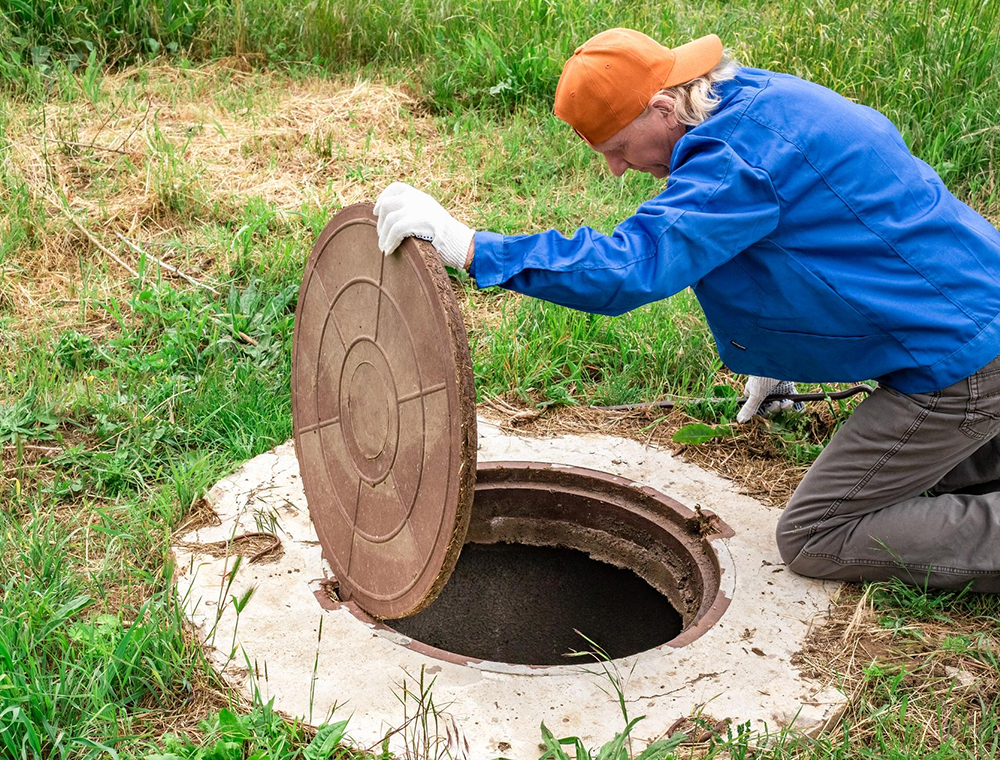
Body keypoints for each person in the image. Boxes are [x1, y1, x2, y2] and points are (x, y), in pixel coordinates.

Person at [373, 28, 1000, 592]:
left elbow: (632, 264)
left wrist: (477, 248)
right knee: (930, 478)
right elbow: (818, 235)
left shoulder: (736, 162)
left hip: (960, 361)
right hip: (976, 308)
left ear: (663, 108)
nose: (616, 169)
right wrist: (785, 352)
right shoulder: (757, 99)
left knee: (815, 534)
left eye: (617, 147)